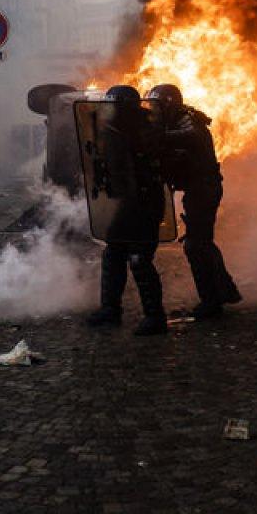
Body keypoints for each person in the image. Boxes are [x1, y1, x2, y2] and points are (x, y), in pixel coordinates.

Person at [147, 83, 241, 319]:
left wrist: (157, 137)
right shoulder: (174, 121)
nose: (155, 112)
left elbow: (190, 137)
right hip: (197, 190)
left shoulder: (190, 121)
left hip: (204, 189)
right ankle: (223, 292)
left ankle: (212, 301)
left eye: (158, 107)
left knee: (196, 245)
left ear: (169, 104)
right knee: (202, 243)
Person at [85, 85, 168, 336]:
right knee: (114, 251)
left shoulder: (147, 130)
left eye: (114, 107)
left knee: (140, 258)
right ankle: (110, 309)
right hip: (127, 202)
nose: (109, 111)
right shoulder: (113, 131)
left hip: (145, 202)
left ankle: (155, 316)